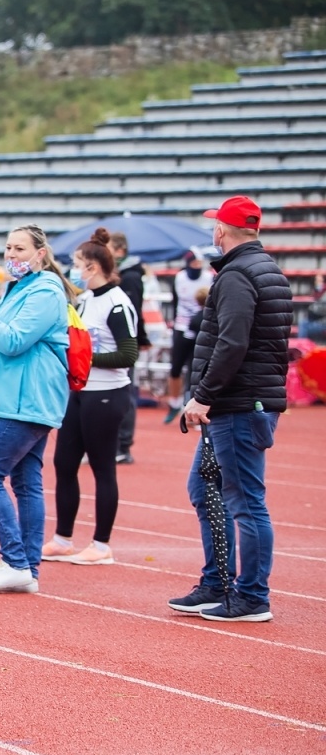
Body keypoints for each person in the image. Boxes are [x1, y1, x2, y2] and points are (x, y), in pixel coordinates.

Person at [170, 196, 291, 623]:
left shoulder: (239, 274)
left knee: (245, 501)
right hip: (246, 400)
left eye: (214, 225)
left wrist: (204, 395)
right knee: (206, 490)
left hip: (238, 403)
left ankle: (252, 596)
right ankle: (219, 581)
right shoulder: (264, 269)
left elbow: (233, 342)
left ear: (222, 229)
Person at [0, 224, 73, 593]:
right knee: (26, 482)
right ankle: (27, 568)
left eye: (20, 249)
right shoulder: (20, 288)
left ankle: (15, 560)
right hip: (20, 397)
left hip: (26, 399)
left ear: (40, 253)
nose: (11, 255)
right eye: (8, 247)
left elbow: (12, 341)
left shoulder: (45, 291)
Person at [45, 229, 139, 567]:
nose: (73, 270)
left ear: (93, 267)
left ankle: (101, 544)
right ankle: (63, 539)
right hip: (80, 392)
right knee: (64, 463)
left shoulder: (117, 303)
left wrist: (84, 359)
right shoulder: (85, 300)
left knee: (102, 468)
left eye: (77, 264)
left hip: (107, 394)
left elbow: (128, 354)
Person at [108, 230, 146, 464]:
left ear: (120, 250)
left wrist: (141, 338)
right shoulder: (119, 274)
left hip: (124, 343)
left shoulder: (130, 277)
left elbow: (133, 314)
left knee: (125, 391)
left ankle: (123, 444)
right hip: (112, 341)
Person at [164, 249, 214, 422]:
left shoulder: (208, 277)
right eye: (194, 263)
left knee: (196, 369)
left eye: (199, 263)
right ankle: (174, 403)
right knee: (175, 367)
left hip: (201, 325)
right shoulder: (180, 278)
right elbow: (175, 302)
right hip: (182, 326)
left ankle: (192, 404)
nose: (197, 266)